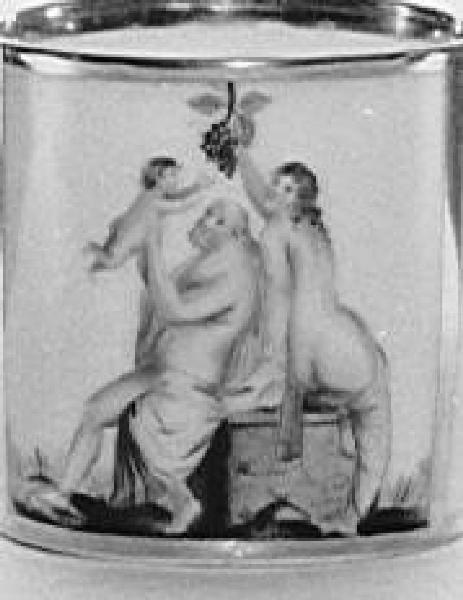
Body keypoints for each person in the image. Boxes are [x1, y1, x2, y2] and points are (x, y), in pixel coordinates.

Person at [27, 199, 261, 535]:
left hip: (189, 381)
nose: (206, 221)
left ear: (238, 236)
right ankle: (63, 493)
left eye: (219, 221)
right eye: (208, 214)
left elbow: (177, 310)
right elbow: (159, 290)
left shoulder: (238, 276)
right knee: (96, 409)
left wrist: (151, 244)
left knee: (149, 429)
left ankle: (184, 503)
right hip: (162, 371)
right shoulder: (202, 265)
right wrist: (139, 245)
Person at [233, 126, 391, 521]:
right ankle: (354, 510)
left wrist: (289, 374)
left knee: (367, 428)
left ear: (301, 199)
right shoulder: (308, 229)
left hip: (326, 350)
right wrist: (240, 154)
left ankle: (350, 506)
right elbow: (261, 197)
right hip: (352, 343)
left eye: (287, 189)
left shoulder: (283, 232)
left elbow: (288, 303)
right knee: (372, 429)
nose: (276, 192)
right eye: (277, 185)